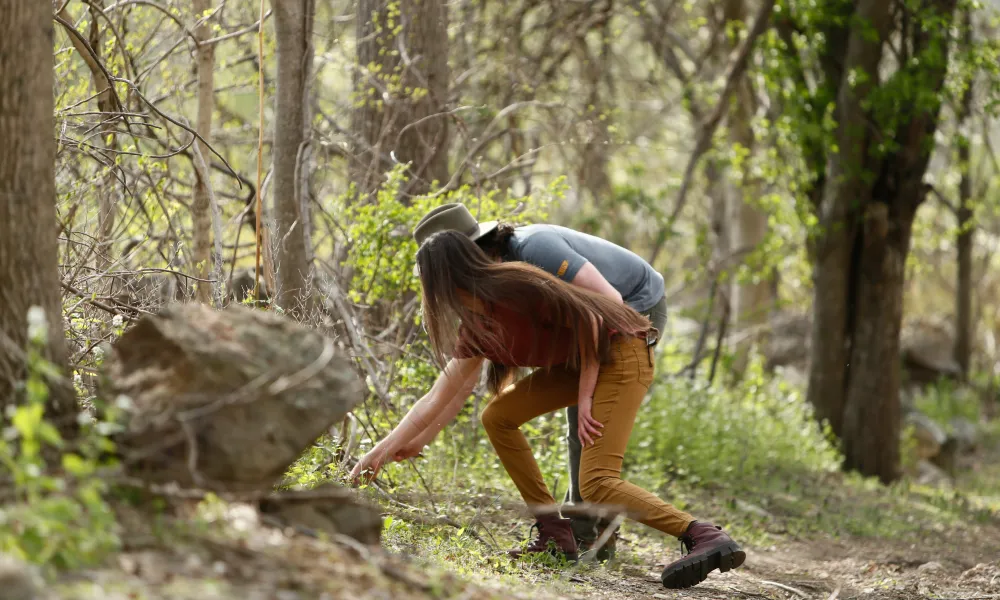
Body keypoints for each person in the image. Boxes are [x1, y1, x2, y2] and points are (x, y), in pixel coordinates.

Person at [350, 229, 745, 590]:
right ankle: (555, 533)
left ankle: (703, 535)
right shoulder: (476, 323)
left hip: (622, 351)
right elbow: (439, 397)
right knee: (498, 416)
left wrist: (586, 395)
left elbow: (596, 312)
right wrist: (381, 453)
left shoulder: (516, 282)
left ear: (445, 276)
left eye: (429, 284)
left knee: (597, 483)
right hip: (584, 363)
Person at [407, 203, 668, 560]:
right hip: (588, 322)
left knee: (586, 426)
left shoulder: (535, 248)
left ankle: (586, 532)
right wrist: (390, 449)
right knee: (572, 422)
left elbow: (608, 302)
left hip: (637, 304)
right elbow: (448, 390)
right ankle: (580, 532)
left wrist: (587, 393)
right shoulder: (491, 291)